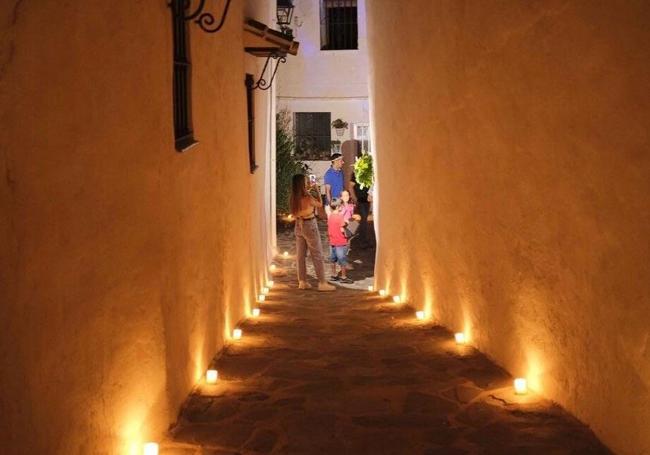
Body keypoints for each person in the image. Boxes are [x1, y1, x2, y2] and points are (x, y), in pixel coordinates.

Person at [289, 174, 336, 291]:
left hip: (298, 224)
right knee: (317, 254)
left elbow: (294, 212)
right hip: (309, 224)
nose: (307, 183)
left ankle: (302, 281)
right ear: (302, 184)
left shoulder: (293, 198)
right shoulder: (308, 197)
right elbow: (319, 204)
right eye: (305, 181)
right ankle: (322, 283)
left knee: (300, 255)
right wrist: (316, 189)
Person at [327, 198, 353, 284]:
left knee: (332, 259)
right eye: (341, 205)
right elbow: (342, 229)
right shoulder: (340, 217)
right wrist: (348, 225)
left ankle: (334, 275)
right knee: (342, 260)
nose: (342, 206)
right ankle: (343, 277)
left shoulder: (330, 216)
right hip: (340, 242)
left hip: (332, 242)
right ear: (338, 207)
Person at [349, 172, 372, 248]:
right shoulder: (356, 173)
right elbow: (350, 186)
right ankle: (362, 241)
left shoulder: (369, 172)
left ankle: (362, 239)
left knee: (363, 221)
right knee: (363, 222)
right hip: (360, 201)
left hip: (366, 201)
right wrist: (354, 198)